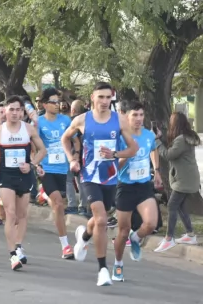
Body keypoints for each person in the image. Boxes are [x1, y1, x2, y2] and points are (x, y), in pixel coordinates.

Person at [61, 82, 138, 286]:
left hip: (110, 178)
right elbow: (65, 139)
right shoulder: (81, 119)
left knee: (98, 219)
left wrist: (115, 154)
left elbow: (133, 148)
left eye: (108, 97)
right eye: (101, 97)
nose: (105, 101)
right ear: (92, 97)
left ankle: (84, 236)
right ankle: (103, 269)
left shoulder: (119, 120)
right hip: (89, 176)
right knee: (102, 220)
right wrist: (72, 159)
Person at [0, 95, 47, 271]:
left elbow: (42, 150)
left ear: (22, 112)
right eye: (11, 109)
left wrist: (32, 165)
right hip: (6, 175)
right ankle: (12, 254)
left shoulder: (28, 130)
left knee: (22, 214)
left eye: (18, 109)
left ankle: (19, 246)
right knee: (10, 214)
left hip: (25, 175)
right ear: (5, 111)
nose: (15, 113)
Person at [111, 101, 160, 282]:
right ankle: (118, 264)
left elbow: (153, 150)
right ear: (126, 116)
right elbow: (114, 165)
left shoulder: (148, 135)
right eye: (135, 115)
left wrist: (157, 171)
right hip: (125, 187)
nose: (139, 119)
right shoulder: (121, 137)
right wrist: (127, 154)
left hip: (144, 185)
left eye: (141, 115)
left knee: (151, 224)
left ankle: (137, 237)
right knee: (122, 232)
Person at [37, 90, 76, 259]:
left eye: (58, 101)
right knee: (59, 204)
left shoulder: (66, 120)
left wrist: (75, 155)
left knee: (58, 203)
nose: (57, 105)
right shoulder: (38, 122)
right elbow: (34, 145)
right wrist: (36, 163)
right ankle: (65, 245)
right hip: (47, 169)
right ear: (45, 104)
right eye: (53, 102)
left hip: (62, 168)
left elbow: (74, 139)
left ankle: (44, 194)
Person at [154, 112, 200, 252]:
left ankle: (169, 239)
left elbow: (168, 155)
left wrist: (157, 141)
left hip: (183, 180)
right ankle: (190, 235)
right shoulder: (186, 137)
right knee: (180, 207)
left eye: (171, 121)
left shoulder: (181, 139)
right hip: (188, 178)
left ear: (176, 124)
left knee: (172, 206)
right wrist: (161, 138)